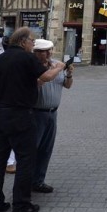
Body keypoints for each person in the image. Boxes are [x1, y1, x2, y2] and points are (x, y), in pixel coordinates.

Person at [0, 27, 66, 212]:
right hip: (21, 116)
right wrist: (59, 67)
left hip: (0, 116)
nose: (33, 45)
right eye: (32, 41)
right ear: (24, 41)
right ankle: (21, 205)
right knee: (26, 159)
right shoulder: (27, 58)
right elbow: (47, 77)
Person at [31, 39, 73, 194]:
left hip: (52, 112)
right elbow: (40, 81)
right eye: (44, 51)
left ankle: (38, 181)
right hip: (35, 113)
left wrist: (68, 75)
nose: (49, 54)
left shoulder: (57, 64)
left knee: (46, 149)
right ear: (35, 53)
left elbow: (67, 86)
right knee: (32, 149)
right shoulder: (32, 66)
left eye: (50, 50)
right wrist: (57, 69)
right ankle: (26, 182)